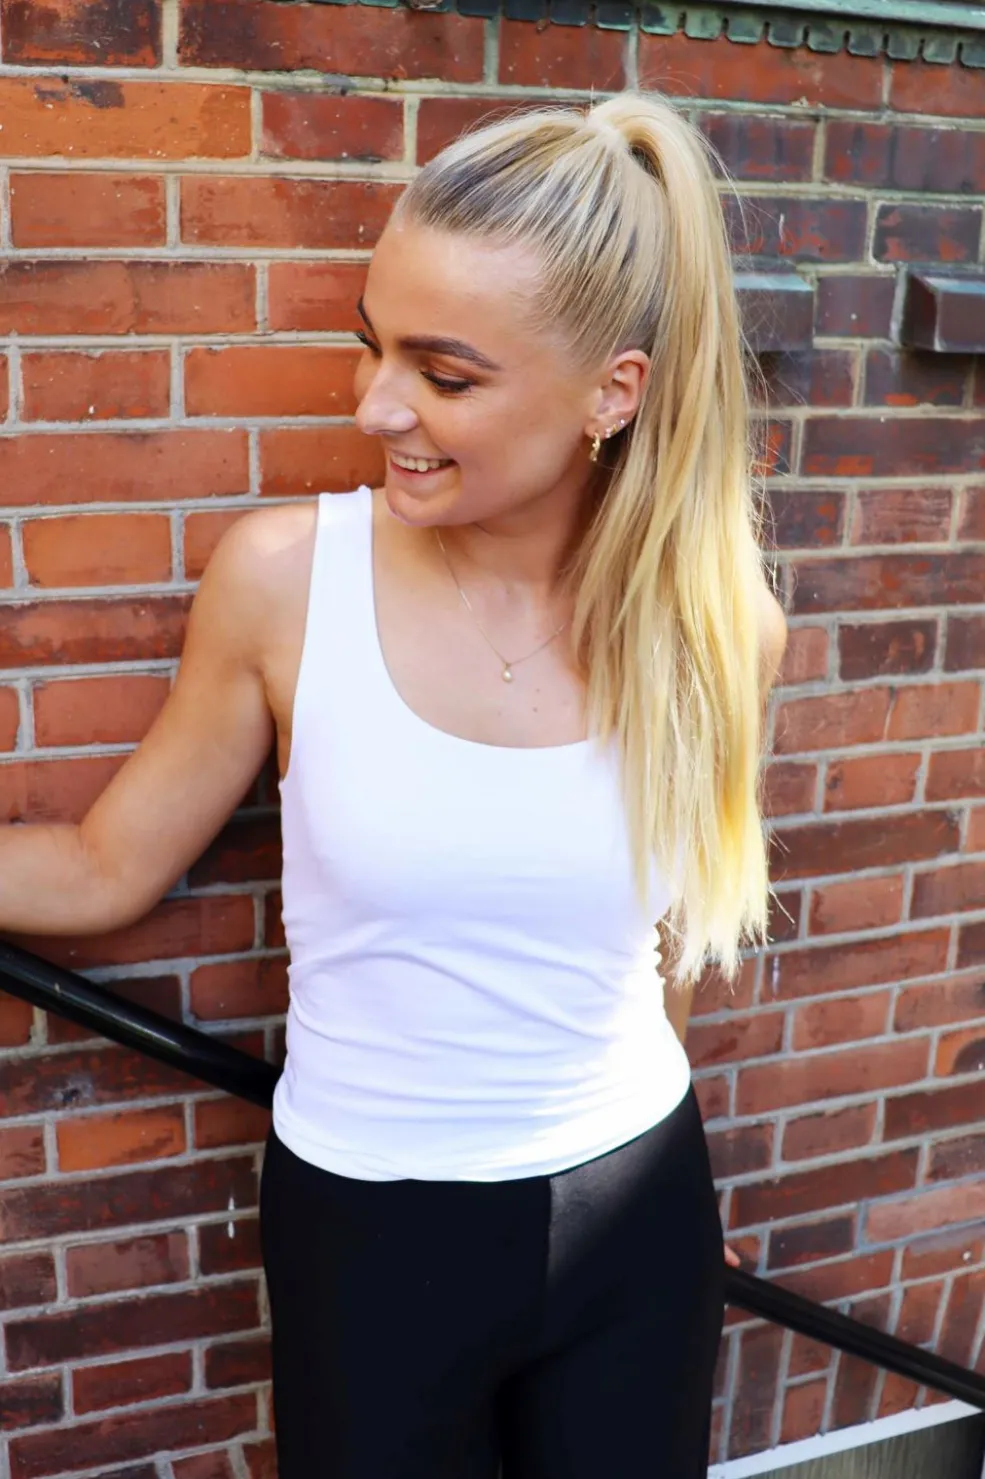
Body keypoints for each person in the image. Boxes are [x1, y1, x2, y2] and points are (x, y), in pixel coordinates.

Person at [0, 90, 787, 1477]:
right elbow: (106, 867)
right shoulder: (286, 582)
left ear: (614, 393)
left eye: (447, 376)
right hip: (370, 1233)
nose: (377, 406)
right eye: (375, 346)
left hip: (638, 1213)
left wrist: (672, 1197)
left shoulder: (720, 628)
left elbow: (665, 940)